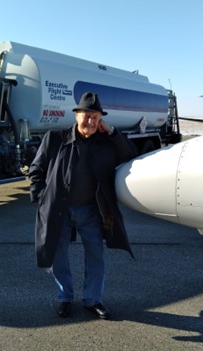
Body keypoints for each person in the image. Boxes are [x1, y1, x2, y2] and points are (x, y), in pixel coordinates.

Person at [29, 92, 138, 319]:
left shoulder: (105, 144)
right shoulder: (55, 138)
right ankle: (65, 298)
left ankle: (92, 299)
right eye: (86, 115)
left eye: (96, 117)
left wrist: (112, 131)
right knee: (58, 255)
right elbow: (36, 170)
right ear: (77, 115)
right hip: (60, 208)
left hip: (91, 210)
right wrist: (41, 198)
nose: (90, 121)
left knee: (95, 255)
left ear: (101, 120)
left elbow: (130, 153)